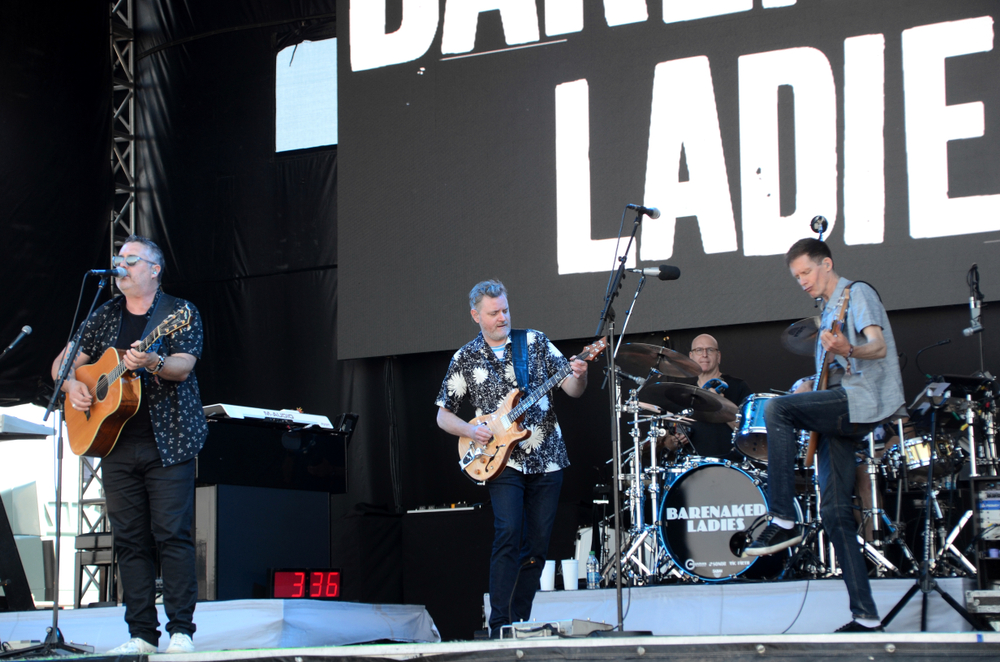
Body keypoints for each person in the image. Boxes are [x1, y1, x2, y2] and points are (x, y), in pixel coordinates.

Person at [52, 235, 207, 654]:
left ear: (154, 270)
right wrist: (71, 386)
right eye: (118, 259)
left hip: (168, 442)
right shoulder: (105, 315)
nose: (120, 265)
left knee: (172, 535)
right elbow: (62, 364)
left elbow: (182, 367)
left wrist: (153, 361)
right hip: (115, 443)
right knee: (130, 540)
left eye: (131, 259)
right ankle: (141, 635)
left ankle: (180, 632)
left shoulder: (179, 313)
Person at [743, 238, 905, 633]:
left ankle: (782, 517)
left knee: (777, 409)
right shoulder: (828, 310)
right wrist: (812, 392)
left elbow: (878, 346)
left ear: (826, 264)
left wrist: (849, 348)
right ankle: (866, 616)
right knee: (834, 514)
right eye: (796, 276)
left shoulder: (856, 293)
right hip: (839, 409)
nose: (801, 281)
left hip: (862, 401)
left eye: (806, 272)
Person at [435, 280, 588, 637]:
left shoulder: (533, 342)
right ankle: (499, 624)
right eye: (494, 312)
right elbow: (443, 416)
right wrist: (472, 432)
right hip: (501, 460)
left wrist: (580, 373)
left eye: (505, 309)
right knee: (508, 532)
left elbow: (572, 390)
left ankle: (518, 621)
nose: (502, 317)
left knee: (536, 544)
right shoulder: (465, 357)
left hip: (547, 455)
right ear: (476, 316)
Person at [663, 334, 752, 459]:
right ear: (691, 357)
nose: (704, 354)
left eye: (710, 350)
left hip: (731, 465)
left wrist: (721, 406)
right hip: (693, 468)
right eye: (699, 350)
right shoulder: (682, 393)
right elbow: (667, 441)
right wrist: (672, 442)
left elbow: (750, 431)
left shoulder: (738, 387)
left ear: (718, 356)